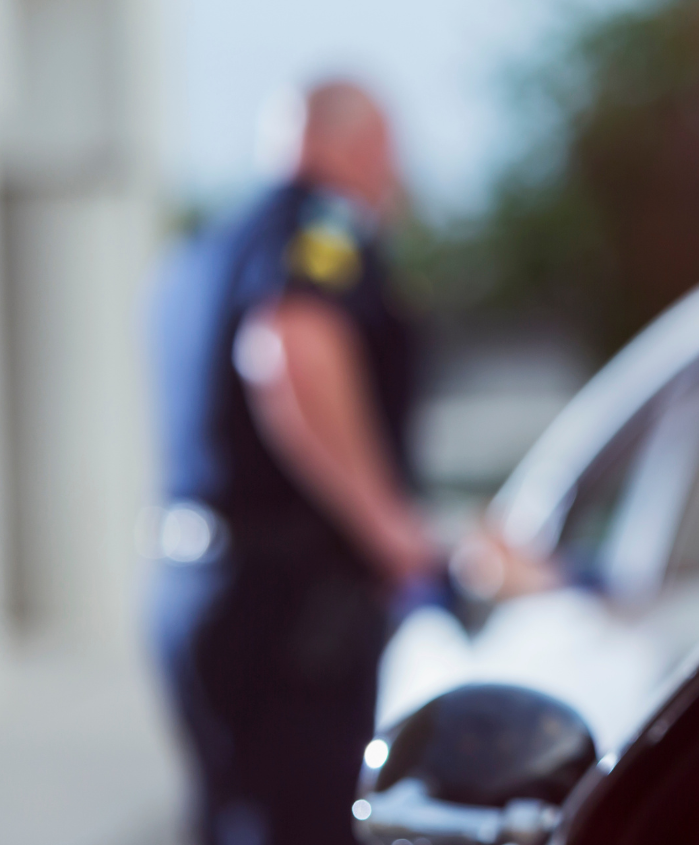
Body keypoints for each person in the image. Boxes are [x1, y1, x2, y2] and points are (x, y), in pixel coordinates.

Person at [150, 80, 437, 845]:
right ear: (355, 144)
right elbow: (290, 344)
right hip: (291, 609)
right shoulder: (323, 223)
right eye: (388, 152)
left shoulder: (210, 244)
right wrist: (391, 530)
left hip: (195, 584)